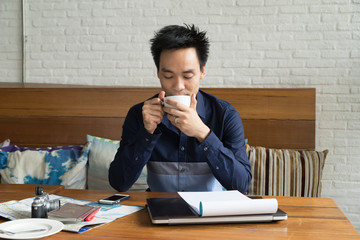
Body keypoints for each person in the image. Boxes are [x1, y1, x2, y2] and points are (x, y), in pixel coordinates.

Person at [109, 24, 251, 193]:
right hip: (158, 211)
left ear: (202, 71)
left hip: (210, 213)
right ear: (158, 73)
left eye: (187, 76)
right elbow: (119, 183)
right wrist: (146, 134)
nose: (178, 86)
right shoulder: (140, 114)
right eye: (168, 76)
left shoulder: (225, 114)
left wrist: (203, 134)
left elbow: (241, 185)